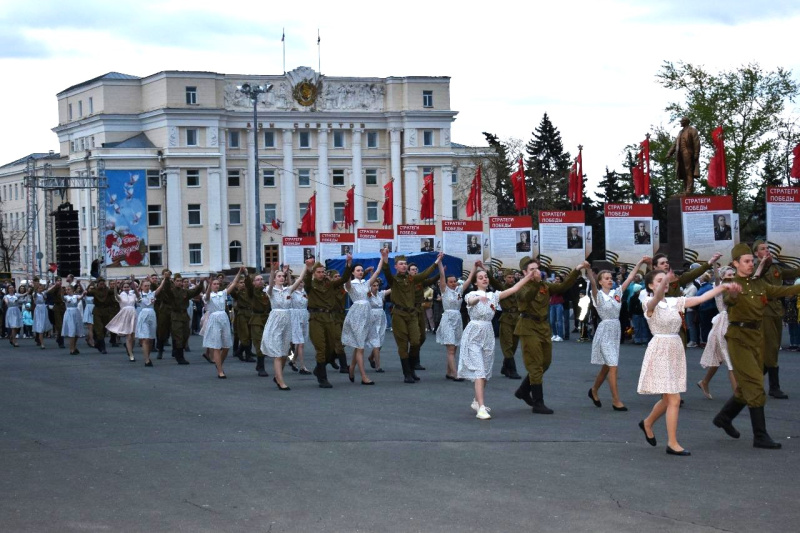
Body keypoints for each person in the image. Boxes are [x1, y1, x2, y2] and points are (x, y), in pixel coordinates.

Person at [637, 269, 738, 456]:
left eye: (665, 280)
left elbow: (701, 299)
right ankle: (672, 443)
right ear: (650, 285)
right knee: (674, 398)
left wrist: (722, 286)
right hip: (659, 349)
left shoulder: (675, 301)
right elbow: (657, 297)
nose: (664, 283)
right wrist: (665, 278)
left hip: (675, 348)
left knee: (668, 398)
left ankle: (648, 422)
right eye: (659, 280)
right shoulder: (648, 303)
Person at [712, 243, 800, 450]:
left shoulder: (759, 284)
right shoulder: (731, 283)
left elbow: (783, 290)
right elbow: (728, 300)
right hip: (739, 338)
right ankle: (760, 435)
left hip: (756, 337)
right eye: (747, 261)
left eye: (752, 261)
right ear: (735, 264)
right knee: (756, 386)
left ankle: (724, 417)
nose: (751, 264)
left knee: (747, 386)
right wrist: (733, 293)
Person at [513, 258, 588, 414]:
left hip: (543, 327)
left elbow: (562, 287)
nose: (537, 271)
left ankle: (523, 390)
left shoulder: (544, 286)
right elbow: (527, 296)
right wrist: (534, 281)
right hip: (528, 327)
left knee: (545, 363)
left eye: (537, 268)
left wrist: (577, 269)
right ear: (524, 273)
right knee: (535, 365)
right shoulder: (521, 287)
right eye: (532, 269)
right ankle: (538, 403)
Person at [460, 267, 536, 420]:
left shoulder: (494, 296)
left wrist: (528, 276)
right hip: (474, 333)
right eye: (480, 277)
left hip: (488, 333)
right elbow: (470, 301)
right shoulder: (472, 294)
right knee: (480, 371)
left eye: (486, 277)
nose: (484, 279)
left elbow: (514, 288)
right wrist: (478, 299)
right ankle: (481, 407)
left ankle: (476, 401)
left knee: (486, 372)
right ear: (475, 282)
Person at [587, 258, 647, 411]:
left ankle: (593, 390)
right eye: (606, 278)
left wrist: (639, 263)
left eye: (611, 278)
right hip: (605, 331)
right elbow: (593, 285)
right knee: (613, 366)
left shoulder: (616, 293)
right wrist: (588, 270)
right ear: (600, 282)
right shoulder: (598, 295)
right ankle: (616, 400)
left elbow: (630, 278)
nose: (610, 280)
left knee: (607, 366)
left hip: (616, 331)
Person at [381, 249, 442, 383]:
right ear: (396, 266)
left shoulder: (411, 279)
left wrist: (437, 262)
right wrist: (385, 259)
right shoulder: (394, 280)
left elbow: (426, 274)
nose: (403, 266)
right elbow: (386, 272)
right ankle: (407, 373)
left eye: (405, 264)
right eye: (401, 264)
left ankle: (411, 368)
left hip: (412, 314)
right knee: (403, 345)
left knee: (416, 342)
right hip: (399, 314)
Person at [752, 239, 800, 399]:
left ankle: (754, 382)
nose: (766, 250)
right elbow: (758, 277)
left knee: (774, 346)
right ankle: (773, 386)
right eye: (762, 248)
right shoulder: (755, 269)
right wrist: (765, 263)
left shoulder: (776, 267)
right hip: (764, 311)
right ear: (756, 253)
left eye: (767, 248)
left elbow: (793, 273)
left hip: (776, 310)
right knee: (771, 347)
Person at [304, 257, 353, 388]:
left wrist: (348, 265)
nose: (321, 274)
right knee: (321, 348)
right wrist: (308, 269)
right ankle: (322, 378)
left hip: (330, 318)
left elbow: (342, 280)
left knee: (331, 349)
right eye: (318, 272)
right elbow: (307, 282)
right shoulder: (311, 285)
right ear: (314, 273)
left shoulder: (330, 284)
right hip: (316, 318)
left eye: (322, 271)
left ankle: (318, 369)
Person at [342, 254, 385, 385]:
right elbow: (347, 280)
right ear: (353, 273)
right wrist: (348, 264)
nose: (360, 272)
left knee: (359, 346)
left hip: (367, 315)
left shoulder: (366, 283)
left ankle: (351, 368)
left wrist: (383, 257)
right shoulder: (350, 284)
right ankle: (364, 376)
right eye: (358, 270)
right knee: (360, 347)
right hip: (356, 315)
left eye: (361, 270)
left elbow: (377, 272)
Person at [697, 266, 739, 398]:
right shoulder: (719, 286)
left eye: (733, 274)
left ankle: (704, 382)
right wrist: (714, 264)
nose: (731, 277)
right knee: (730, 361)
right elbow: (716, 279)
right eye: (728, 275)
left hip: (734, 323)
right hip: (723, 325)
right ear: (722, 277)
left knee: (720, 359)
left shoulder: (735, 288)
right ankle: (738, 397)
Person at [261, 263, 305, 390]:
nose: (281, 278)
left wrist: (306, 268)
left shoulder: (288, 290)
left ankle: (277, 376)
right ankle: (281, 381)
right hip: (275, 321)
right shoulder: (270, 290)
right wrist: (272, 271)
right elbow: (269, 286)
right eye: (279, 276)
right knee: (278, 353)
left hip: (287, 322)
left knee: (285, 353)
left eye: (283, 276)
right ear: (275, 279)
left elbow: (300, 279)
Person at [436, 260, 477, 381]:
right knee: (451, 348)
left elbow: (469, 279)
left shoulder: (459, 290)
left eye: (455, 281)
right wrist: (439, 263)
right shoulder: (444, 290)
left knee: (456, 347)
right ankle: (455, 373)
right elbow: (442, 275)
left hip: (458, 319)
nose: (453, 283)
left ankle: (449, 372)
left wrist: (474, 267)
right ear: (446, 283)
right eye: (451, 282)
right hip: (448, 319)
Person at [202, 269, 243, 379]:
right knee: (216, 346)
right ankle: (220, 371)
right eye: (214, 284)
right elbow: (206, 298)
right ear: (211, 285)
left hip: (224, 318)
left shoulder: (222, 293)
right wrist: (208, 286)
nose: (216, 285)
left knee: (226, 346)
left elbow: (234, 283)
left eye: (217, 284)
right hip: (214, 318)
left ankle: (219, 363)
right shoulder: (208, 296)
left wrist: (240, 271)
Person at [160, 273, 205, 365]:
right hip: (176, 316)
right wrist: (167, 279)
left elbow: (195, 292)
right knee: (178, 337)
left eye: (181, 281)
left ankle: (177, 351)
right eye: (177, 281)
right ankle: (180, 356)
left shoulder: (185, 292)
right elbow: (167, 289)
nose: (179, 283)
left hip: (184, 316)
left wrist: (201, 282)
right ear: (174, 282)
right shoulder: (172, 291)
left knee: (185, 335)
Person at [410, 262, 440, 373]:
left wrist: (440, 274)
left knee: (422, 337)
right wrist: (435, 264)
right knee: (415, 338)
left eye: (416, 269)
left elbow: (430, 281)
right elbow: (425, 274)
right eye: (412, 269)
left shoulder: (420, 282)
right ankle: (414, 361)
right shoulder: (408, 281)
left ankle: (412, 355)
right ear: (408, 271)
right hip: (410, 311)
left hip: (420, 309)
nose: (415, 271)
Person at [242, 270, 271, 378]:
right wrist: (246, 275)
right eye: (257, 280)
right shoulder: (252, 291)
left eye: (261, 279)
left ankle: (259, 365)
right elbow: (248, 285)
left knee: (266, 343)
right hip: (257, 319)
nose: (260, 281)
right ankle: (261, 367)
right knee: (259, 344)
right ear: (253, 282)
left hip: (267, 318)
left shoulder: (267, 291)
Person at [666, 116, 700, 195]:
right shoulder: (680, 132)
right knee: (684, 172)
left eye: (682, 121)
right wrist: (669, 153)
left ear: (686, 122)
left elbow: (696, 142)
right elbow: (675, 144)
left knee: (689, 171)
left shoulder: (692, 130)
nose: (680, 122)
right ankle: (686, 189)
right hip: (680, 154)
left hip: (688, 153)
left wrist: (696, 153)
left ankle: (689, 189)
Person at [106, 280, 139, 361]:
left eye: (127, 287)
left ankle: (130, 349)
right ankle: (131, 355)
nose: (126, 288)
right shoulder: (120, 295)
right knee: (128, 336)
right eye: (125, 287)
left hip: (133, 314)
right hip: (125, 315)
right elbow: (116, 296)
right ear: (122, 288)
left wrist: (134, 285)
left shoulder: (133, 295)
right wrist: (115, 288)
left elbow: (138, 296)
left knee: (133, 337)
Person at [366, 280, 390, 373]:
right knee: (376, 343)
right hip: (372, 319)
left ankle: (371, 357)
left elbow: (391, 289)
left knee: (380, 343)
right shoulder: (368, 295)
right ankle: (378, 366)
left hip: (381, 318)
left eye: (377, 285)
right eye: (374, 285)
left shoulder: (380, 294)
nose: (376, 287)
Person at [136, 279, 162, 367]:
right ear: (142, 287)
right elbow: (136, 292)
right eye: (145, 286)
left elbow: (160, 287)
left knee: (151, 339)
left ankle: (148, 356)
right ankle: (146, 360)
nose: (147, 287)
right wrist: (132, 282)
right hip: (143, 315)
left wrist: (165, 279)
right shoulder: (139, 295)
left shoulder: (152, 293)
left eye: (148, 285)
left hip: (152, 315)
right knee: (145, 338)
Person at [88, 278, 118, 354]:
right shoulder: (95, 291)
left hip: (106, 311)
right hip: (97, 310)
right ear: (97, 284)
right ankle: (103, 347)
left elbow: (115, 292)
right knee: (99, 328)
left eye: (103, 283)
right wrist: (91, 285)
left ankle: (98, 343)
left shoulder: (107, 290)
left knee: (104, 328)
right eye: (100, 283)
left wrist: (117, 285)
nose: (102, 285)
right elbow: (88, 292)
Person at [289, 278, 311, 374]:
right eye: (298, 282)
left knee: (300, 342)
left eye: (301, 281)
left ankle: (293, 361)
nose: (300, 284)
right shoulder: (292, 292)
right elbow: (290, 284)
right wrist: (288, 274)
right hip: (295, 316)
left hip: (305, 315)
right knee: (300, 343)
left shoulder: (305, 292)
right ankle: (302, 367)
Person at [230, 276, 254, 362]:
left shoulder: (249, 291)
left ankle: (240, 352)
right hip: (242, 314)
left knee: (250, 335)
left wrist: (247, 276)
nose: (243, 284)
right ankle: (245, 354)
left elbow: (251, 286)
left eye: (243, 282)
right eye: (240, 282)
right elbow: (231, 292)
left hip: (250, 314)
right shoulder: (237, 293)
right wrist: (234, 284)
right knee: (245, 335)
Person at [60, 282, 86, 355]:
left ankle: (74, 346)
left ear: (72, 290)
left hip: (76, 312)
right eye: (66, 290)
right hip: (69, 313)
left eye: (69, 289)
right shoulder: (66, 297)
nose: (67, 291)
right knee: (72, 331)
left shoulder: (76, 296)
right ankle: (71, 349)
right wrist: (62, 292)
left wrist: (83, 292)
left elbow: (81, 297)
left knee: (77, 332)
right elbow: (62, 298)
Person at [31, 279, 53, 349]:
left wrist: (49, 283)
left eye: (41, 288)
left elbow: (49, 290)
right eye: (39, 288)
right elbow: (34, 297)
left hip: (44, 309)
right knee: (40, 326)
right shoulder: (35, 294)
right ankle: (42, 343)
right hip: (38, 309)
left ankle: (41, 339)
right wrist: (35, 287)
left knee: (44, 324)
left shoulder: (44, 293)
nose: (40, 289)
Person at [549, 276, 566, 341]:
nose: (556, 280)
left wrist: (555, 285)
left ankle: (560, 335)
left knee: (559, 320)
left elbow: (559, 292)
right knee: (551, 321)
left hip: (559, 303)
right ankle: (555, 334)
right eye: (556, 279)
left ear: (560, 280)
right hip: (552, 303)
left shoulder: (561, 286)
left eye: (558, 279)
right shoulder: (553, 285)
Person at [82, 282, 95, 348]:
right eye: (90, 288)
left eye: (93, 288)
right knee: (90, 328)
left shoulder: (96, 294)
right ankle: (91, 341)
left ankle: (88, 338)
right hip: (89, 310)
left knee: (94, 327)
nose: (92, 289)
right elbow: (82, 296)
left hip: (95, 310)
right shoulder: (86, 295)